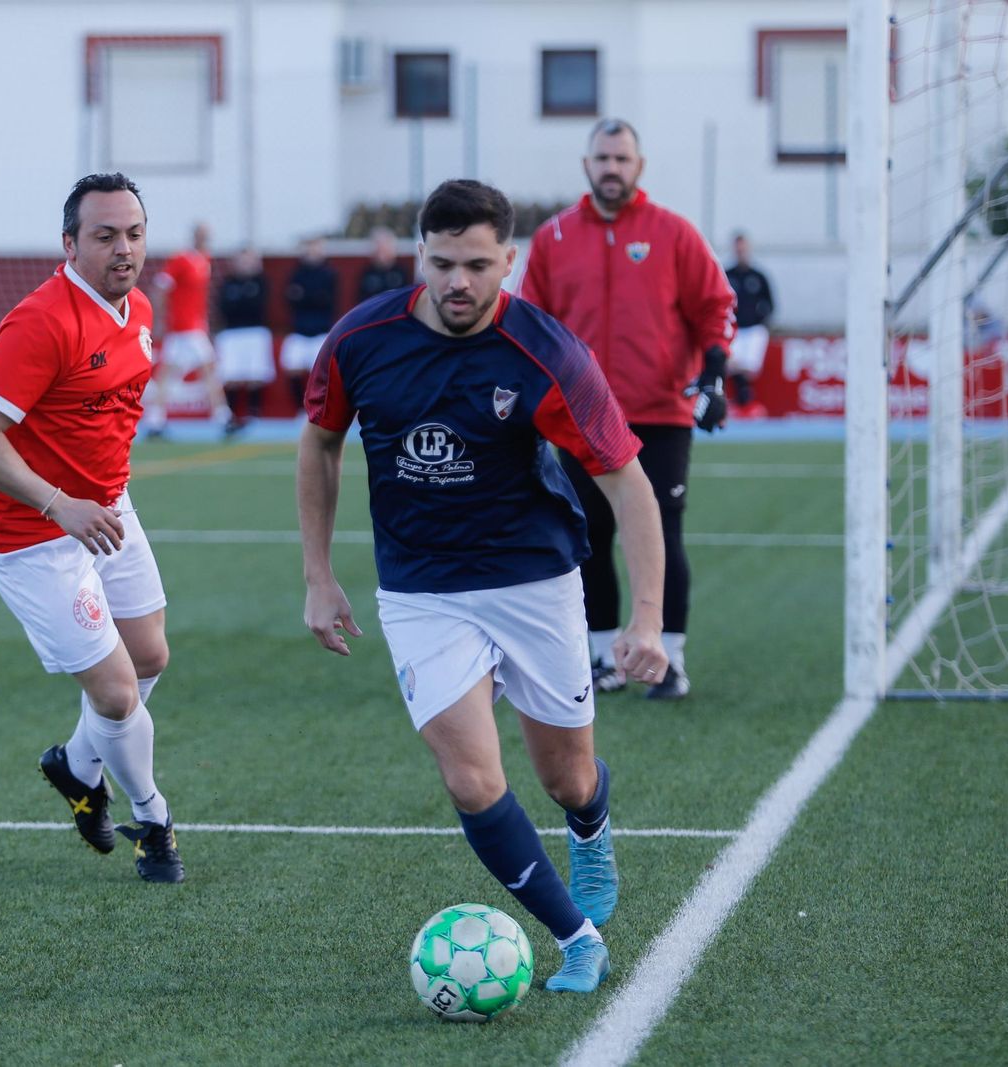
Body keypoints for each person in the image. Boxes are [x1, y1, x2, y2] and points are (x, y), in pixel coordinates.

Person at [297, 179, 670, 994]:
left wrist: (644, 617)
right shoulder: (360, 340)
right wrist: (319, 576)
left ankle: (590, 823)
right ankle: (576, 939)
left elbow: (625, 480)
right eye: (441, 263)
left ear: (510, 259)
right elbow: (320, 444)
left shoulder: (548, 353)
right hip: (420, 587)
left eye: (476, 264)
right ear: (418, 255)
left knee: (565, 775)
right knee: (470, 776)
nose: (457, 282)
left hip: (531, 577)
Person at [0, 173, 184, 884]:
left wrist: (96, 494)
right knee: (116, 692)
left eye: (135, 233)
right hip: (30, 531)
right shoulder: (42, 321)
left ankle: (77, 766)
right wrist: (62, 504)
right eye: (106, 235)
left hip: (104, 509)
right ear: (70, 243)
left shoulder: (138, 307)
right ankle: (154, 820)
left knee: (150, 656)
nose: (125, 249)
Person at [520, 117, 736, 700]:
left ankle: (669, 658)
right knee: (585, 536)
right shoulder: (554, 238)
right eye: (602, 158)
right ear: (586, 165)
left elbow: (718, 306)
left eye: (622, 158)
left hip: (660, 413)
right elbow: (527, 326)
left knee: (661, 532)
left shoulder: (673, 232)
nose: (611, 167)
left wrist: (712, 377)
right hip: (581, 416)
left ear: (639, 166)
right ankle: (604, 657)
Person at [144, 222, 230, 436]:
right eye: (201, 235)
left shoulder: (205, 260)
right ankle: (223, 418)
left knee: (171, 372)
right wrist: (160, 320)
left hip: (194, 327)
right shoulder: (181, 260)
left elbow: (199, 298)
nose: (204, 239)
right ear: (194, 236)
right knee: (208, 369)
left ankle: (155, 420)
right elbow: (160, 288)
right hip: (183, 327)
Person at [214, 247, 275, 434]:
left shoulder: (261, 282)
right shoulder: (228, 283)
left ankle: (253, 414)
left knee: (255, 375)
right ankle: (231, 416)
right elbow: (225, 308)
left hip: (255, 331)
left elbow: (257, 307)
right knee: (231, 375)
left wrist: (241, 303)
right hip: (232, 333)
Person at [279, 236, 339, 410]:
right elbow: (290, 298)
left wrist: (305, 296)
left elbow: (326, 301)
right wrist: (311, 297)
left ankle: (322, 408)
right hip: (299, 330)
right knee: (292, 367)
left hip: (321, 331)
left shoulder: (329, 274)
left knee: (324, 375)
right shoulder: (296, 273)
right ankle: (300, 409)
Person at [723, 231, 775, 417]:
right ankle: (742, 403)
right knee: (732, 363)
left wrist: (761, 320)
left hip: (753, 329)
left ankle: (746, 403)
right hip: (734, 330)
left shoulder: (758, 276)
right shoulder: (726, 275)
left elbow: (770, 303)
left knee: (748, 367)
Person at [357, 225, 409, 303]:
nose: (381, 251)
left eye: (385, 246)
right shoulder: (367, 274)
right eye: (379, 247)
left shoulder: (402, 272)